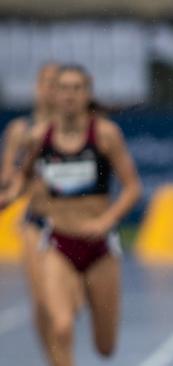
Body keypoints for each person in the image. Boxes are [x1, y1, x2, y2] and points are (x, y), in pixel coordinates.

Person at [1, 64, 142, 366]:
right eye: (62, 88)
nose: (67, 95)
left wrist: (107, 220)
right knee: (61, 324)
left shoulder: (105, 134)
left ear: (87, 93)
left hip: (99, 245)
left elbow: (132, 188)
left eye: (76, 89)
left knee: (106, 347)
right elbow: (21, 179)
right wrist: (10, 196)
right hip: (54, 239)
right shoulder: (36, 136)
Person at [0, 62, 59, 363]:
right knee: (42, 301)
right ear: (37, 87)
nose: (51, 89)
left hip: (71, 224)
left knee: (65, 304)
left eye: (57, 83)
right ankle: (53, 358)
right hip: (35, 223)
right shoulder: (20, 130)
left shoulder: (76, 127)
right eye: (46, 82)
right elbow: (10, 179)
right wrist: (9, 194)